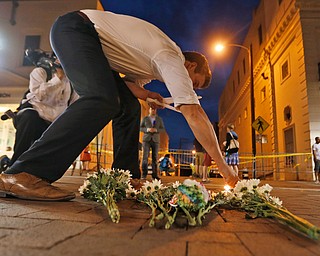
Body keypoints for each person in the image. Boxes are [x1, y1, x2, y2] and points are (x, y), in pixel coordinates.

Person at [0, 9, 239, 202]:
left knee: (128, 106)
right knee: (101, 99)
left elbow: (129, 86)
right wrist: (224, 169)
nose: (191, 89)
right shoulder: (169, 57)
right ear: (191, 67)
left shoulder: (153, 65)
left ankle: (125, 176)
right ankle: (25, 173)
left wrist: (146, 94)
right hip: (76, 29)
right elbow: (194, 113)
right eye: (194, 83)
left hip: (91, 43)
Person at [140, 107, 165, 180]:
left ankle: (154, 175)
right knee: (145, 157)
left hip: (155, 140)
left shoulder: (159, 119)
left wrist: (156, 130)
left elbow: (163, 129)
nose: (153, 110)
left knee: (155, 158)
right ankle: (144, 174)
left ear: (156, 110)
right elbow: (140, 128)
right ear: (149, 110)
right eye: (152, 109)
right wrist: (147, 129)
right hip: (146, 140)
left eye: (154, 109)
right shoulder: (145, 119)